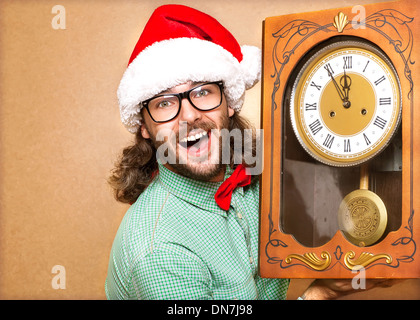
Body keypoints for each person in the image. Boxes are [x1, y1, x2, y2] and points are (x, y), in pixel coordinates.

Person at [105, 4, 396, 300]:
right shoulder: (158, 251)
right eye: (165, 103)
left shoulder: (255, 173)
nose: (189, 116)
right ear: (144, 126)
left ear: (228, 102)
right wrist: (319, 293)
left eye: (203, 91)